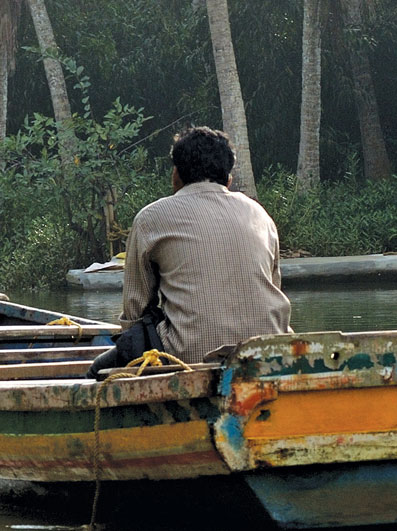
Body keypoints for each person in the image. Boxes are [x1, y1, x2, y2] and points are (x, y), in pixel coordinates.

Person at [108, 127, 292, 368]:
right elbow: (272, 285)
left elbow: (136, 310)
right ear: (229, 179)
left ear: (176, 174)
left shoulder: (151, 217)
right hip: (271, 354)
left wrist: (131, 349)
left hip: (187, 357)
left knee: (97, 370)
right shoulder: (259, 213)